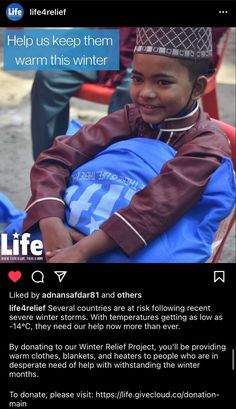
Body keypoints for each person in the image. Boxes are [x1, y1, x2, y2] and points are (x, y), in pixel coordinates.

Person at [23, 27, 234, 263]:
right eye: (137, 79)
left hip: (132, 243)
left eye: (163, 82)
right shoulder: (128, 118)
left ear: (197, 88)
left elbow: (155, 207)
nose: (146, 93)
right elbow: (57, 157)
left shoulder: (205, 145)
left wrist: (81, 251)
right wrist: (51, 221)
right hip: (74, 232)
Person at [31, 27, 136, 160]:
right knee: (49, 76)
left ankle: (112, 167)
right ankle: (48, 163)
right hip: (107, 38)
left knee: (133, 90)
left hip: (147, 44)